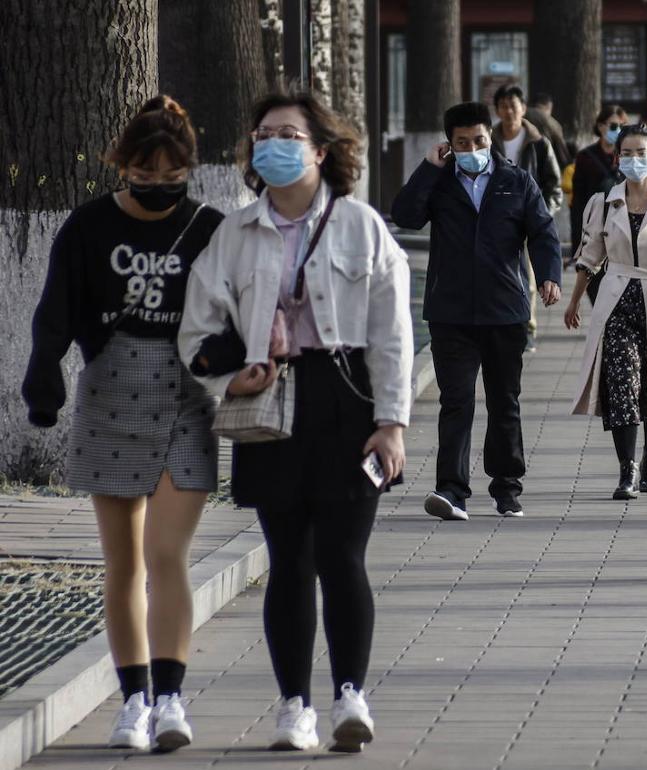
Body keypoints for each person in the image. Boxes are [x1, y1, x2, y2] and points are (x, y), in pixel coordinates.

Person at [180, 89, 412, 752]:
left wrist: (392, 422)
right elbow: (197, 325)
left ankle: (349, 696)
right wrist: (229, 377)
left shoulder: (361, 225)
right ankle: (292, 707)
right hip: (269, 404)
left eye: (288, 133)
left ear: (320, 149)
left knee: (343, 555)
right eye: (263, 134)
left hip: (349, 402)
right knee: (288, 560)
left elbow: (392, 332)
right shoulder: (235, 232)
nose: (273, 144)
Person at [22, 96, 223, 753]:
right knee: (123, 562)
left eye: (173, 174)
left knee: (167, 554)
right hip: (110, 394)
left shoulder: (208, 227)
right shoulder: (86, 228)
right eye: (146, 171)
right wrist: (45, 372)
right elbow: (56, 309)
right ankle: (133, 697)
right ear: (122, 165)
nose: (160, 184)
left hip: (186, 400)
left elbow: (237, 307)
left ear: (188, 169)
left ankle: (170, 698)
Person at [391, 101, 562, 523]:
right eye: (462, 142)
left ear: (491, 138)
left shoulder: (515, 181)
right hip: (451, 312)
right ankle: (452, 490)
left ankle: (507, 489)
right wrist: (427, 170)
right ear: (449, 144)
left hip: (505, 310)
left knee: (505, 402)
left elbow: (542, 232)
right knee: (457, 402)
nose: (472, 148)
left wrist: (548, 276)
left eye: (479, 140)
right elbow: (406, 216)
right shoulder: (439, 181)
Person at [564, 125, 647, 498]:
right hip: (616, 299)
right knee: (623, 384)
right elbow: (590, 253)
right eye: (627, 153)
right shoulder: (603, 203)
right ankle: (628, 469)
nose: (634, 159)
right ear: (617, 157)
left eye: (641, 153)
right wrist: (574, 299)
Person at [492, 84, 563, 353]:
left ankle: (527, 327)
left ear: (523, 108)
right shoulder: (488, 140)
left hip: (528, 220)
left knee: (528, 278)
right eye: (504, 106)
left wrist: (541, 214)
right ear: (497, 109)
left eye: (514, 105)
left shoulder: (538, 143)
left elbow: (553, 185)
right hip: (496, 220)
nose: (509, 111)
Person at [570, 104, 629, 250]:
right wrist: (579, 239)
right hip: (594, 223)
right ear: (601, 126)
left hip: (623, 224)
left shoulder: (629, 156)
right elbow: (578, 199)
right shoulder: (585, 157)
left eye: (623, 126)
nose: (619, 130)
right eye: (614, 126)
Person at [529, 91, 573, 169]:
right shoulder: (552, 123)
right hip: (542, 163)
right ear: (548, 107)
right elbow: (562, 152)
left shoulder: (520, 114)